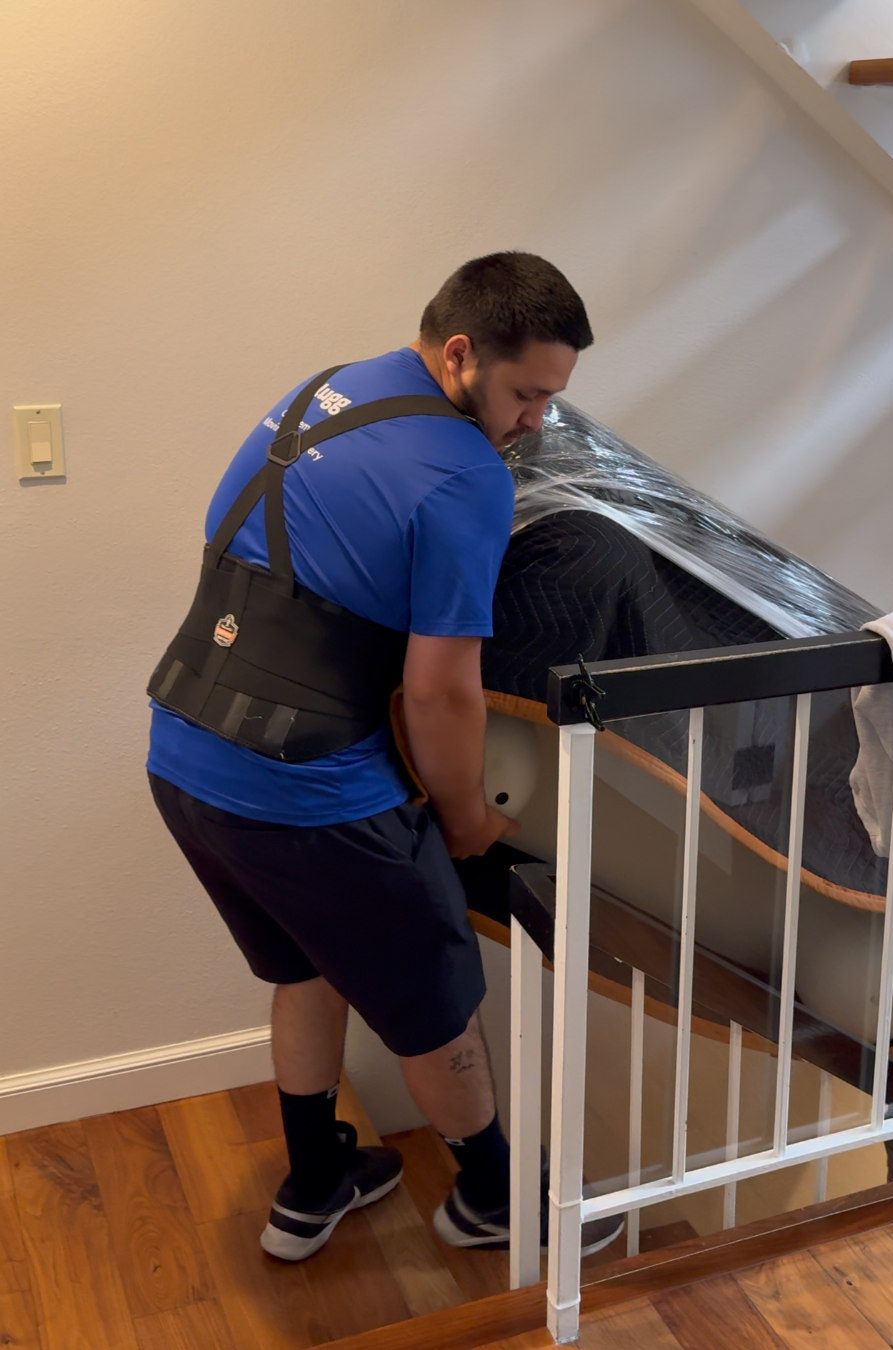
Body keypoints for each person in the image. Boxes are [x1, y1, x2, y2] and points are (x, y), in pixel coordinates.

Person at [146, 252, 622, 1260]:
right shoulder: (463, 475)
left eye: (552, 398)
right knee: (437, 1004)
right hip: (309, 794)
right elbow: (439, 689)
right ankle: (492, 1198)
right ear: (460, 355)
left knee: (308, 965)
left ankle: (314, 1183)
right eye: (526, 394)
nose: (537, 422)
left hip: (185, 756)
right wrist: (466, 818)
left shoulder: (322, 391)